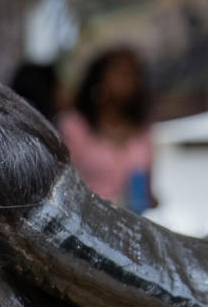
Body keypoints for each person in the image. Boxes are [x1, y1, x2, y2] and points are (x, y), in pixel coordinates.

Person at [57, 48, 157, 211]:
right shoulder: (74, 126)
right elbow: (62, 184)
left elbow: (149, 191)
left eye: (133, 74)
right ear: (99, 78)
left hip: (132, 225)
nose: (129, 80)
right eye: (121, 73)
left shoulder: (143, 132)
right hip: (84, 221)